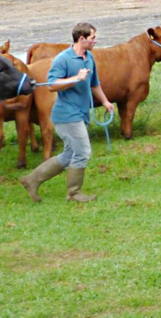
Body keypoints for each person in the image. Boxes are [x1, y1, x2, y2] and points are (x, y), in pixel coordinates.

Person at [20, 22, 114, 203]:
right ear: (81, 39)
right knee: (83, 152)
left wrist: (105, 101)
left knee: (69, 155)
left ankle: (32, 179)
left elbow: (94, 83)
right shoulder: (63, 59)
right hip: (66, 115)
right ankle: (73, 193)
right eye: (92, 38)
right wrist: (76, 78)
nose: (95, 41)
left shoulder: (89, 58)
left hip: (81, 113)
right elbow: (52, 85)